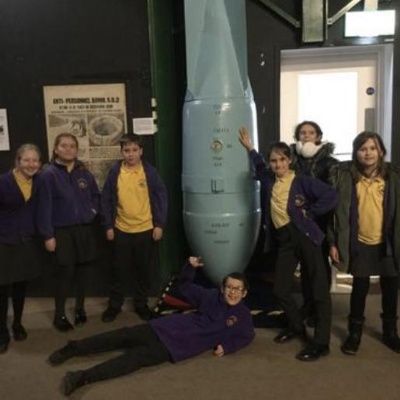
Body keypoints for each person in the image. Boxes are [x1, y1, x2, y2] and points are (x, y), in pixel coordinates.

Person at [48, 256, 255, 396]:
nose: (232, 292)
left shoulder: (243, 316)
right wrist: (190, 267)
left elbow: (248, 335)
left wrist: (228, 347)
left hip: (177, 346)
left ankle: (81, 378)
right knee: (121, 336)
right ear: (222, 288)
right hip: (164, 327)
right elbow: (184, 286)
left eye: (237, 289)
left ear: (244, 293)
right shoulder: (210, 296)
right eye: (229, 287)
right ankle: (74, 348)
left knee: (132, 359)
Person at [239, 127, 338, 361]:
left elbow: (331, 196)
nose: (278, 164)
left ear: (289, 160)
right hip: (285, 241)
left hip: (306, 237)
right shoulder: (268, 179)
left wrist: (310, 212)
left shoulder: (302, 181)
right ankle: (297, 327)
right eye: (274, 161)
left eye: (282, 160)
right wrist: (250, 148)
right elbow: (259, 165)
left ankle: (321, 343)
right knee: (280, 289)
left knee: (319, 290)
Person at [328, 131, 400, 355]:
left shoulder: (393, 177)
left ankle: (390, 332)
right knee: (359, 288)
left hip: (387, 243)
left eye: (372, 148)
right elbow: (334, 214)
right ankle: (354, 333)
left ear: (381, 151)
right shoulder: (345, 177)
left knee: (391, 287)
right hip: (359, 242)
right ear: (356, 152)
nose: (368, 153)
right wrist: (332, 242)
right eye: (363, 149)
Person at [36, 133, 100, 332]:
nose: (68, 149)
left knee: (83, 273)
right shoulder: (48, 174)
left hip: (84, 230)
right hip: (62, 232)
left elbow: (95, 196)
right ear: (56, 149)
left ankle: (80, 309)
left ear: (76, 149)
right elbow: (43, 207)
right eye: (64, 145)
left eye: (72, 146)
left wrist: (92, 212)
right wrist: (48, 235)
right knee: (65, 275)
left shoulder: (84, 173)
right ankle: (60, 315)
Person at [100, 133, 168, 322]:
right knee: (119, 271)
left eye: (134, 150)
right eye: (126, 150)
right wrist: (108, 226)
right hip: (121, 230)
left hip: (145, 230)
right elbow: (106, 199)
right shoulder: (115, 172)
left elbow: (161, 198)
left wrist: (159, 225)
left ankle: (141, 304)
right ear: (121, 152)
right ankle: (114, 305)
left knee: (142, 271)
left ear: (141, 151)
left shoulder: (150, 173)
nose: (130, 154)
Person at [290, 121, 339, 326]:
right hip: (298, 221)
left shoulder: (330, 163)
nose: (307, 135)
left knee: (320, 267)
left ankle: (320, 310)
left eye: (311, 132)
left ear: (318, 136)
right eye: (303, 132)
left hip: (320, 221)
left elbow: (333, 194)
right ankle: (308, 305)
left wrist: (311, 211)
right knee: (305, 265)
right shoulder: (291, 161)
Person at [0, 144, 42, 353]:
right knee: (1, 290)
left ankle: (17, 324)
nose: (31, 164)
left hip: (25, 241)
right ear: (17, 161)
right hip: (4, 241)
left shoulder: (39, 181)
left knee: (20, 287)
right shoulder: (3, 182)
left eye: (35, 160)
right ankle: (1, 331)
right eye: (26, 160)